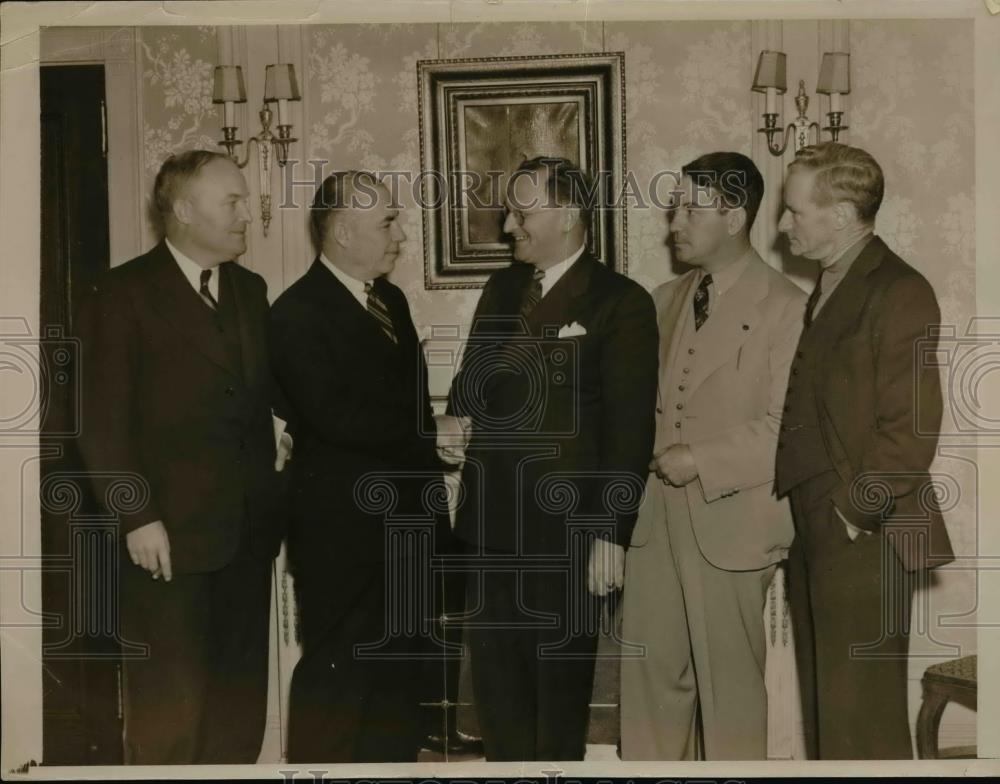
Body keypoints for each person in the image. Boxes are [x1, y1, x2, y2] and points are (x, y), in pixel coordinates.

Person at [75, 149, 290, 764]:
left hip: (247, 537)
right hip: (166, 542)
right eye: (234, 201)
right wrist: (136, 517)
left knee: (237, 710)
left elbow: (259, 399)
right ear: (185, 210)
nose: (249, 213)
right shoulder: (120, 293)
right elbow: (101, 422)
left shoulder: (250, 290)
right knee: (171, 713)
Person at [442, 156, 659, 761]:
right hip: (489, 528)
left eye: (522, 212)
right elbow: (468, 387)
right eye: (509, 212)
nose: (509, 225)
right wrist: (455, 417)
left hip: (568, 538)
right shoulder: (501, 288)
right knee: (497, 701)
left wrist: (611, 536)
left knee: (557, 699)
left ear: (568, 215)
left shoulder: (622, 302)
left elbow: (628, 434)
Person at [619, 152, 806, 760]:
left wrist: (699, 457)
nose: (676, 221)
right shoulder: (662, 298)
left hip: (732, 521)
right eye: (676, 207)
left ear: (734, 217)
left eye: (691, 209)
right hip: (653, 523)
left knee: (730, 693)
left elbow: (787, 428)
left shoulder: (787, 305)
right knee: (650, 684)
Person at [775, 142, 955, 759]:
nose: (782, 224)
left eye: (794, 211)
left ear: (844, 214)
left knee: (863, 720)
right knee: (831, 712)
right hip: (820, 526)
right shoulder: (835, 283)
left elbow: (909, 433)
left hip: (863, 533)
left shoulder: (900, 290)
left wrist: (853, 515)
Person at [270, 170, 451, 763]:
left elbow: (407, 405)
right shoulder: (296, 312)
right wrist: (432, 435)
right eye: (387, 223)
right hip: (342, 539)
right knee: (338, 685)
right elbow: (335, 419)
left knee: (398, 689)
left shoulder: (391, 300)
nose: (400, 235)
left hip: (407, 535)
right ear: (343, 231)